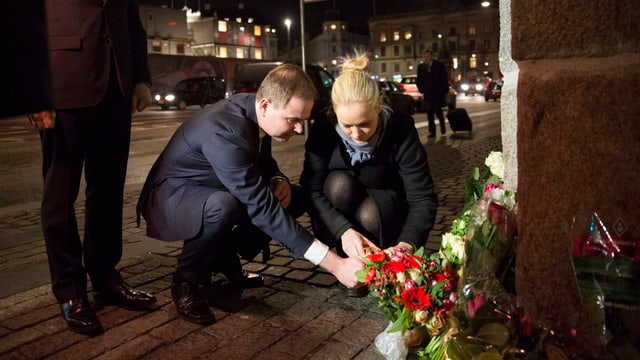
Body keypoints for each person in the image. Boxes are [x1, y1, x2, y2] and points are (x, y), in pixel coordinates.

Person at [136, 64, 364, 325]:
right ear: (266, 104)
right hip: (171, 197)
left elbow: (260, 159)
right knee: (224, 207)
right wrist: (335, 265)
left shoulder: (254, 109)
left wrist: (278, 179)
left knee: (294, 197)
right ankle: (187, 280)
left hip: (213, 186)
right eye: (293, 120)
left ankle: (223, 255)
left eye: (303, 120)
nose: (300, 130)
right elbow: (262, 208)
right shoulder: (226, 132)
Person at [28, 0, 157, 336]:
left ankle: (105, 276)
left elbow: (131, 20)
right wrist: (32, 91)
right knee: (59, 198)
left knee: (108, 190)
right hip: (63, 85)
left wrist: (141, 77)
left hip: (117, 85)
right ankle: (70, 289)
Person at [300, 53, 439, 296]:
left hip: (387, 209)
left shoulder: (401, 128)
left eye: (365, 123)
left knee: (370, 214)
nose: (356, 134)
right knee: (338, 184)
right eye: (347, 126)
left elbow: (422, 197)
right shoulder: (323, 127)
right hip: (338, 209)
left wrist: (406, 245)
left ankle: (376, 266)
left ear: (379, 105)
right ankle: (348, 263)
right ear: (334, 112)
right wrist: (343, 230)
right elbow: (310, 189)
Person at [416, 49, 450, 137]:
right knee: (429, 113)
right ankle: (432, 131)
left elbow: (444, 79)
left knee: (438, 111)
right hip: (428, 93)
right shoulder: (421, 67)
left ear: (431, 56)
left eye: (427, 56)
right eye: (424, 57)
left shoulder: (439, 65)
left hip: (438, 93)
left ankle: (442, 126)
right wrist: (422, 89)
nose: (425, 58)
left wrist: (445, 91)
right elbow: (419, 80)